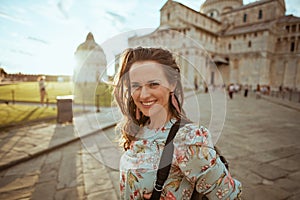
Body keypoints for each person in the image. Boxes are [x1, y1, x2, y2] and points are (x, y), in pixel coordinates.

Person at [113, 47, 242, 200]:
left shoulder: (188, 139)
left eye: (153, 84)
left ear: (172, 84)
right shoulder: (138, 129)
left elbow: (230, 197)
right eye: (136, 86)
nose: (144, 94)